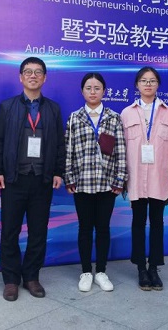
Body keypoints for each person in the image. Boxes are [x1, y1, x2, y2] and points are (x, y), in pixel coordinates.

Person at [0, 57, 65, 301]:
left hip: (42, 180)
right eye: (28, 72)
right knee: (9, 231)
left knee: (38, 232)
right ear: (21, 77)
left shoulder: (53, 109)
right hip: (14, 179)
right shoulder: (7, 107)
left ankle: (32, 276)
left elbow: (60, 144)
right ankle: (11, 279)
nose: (33, 76)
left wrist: (58, 171)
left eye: (38, 72)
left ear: (44, 78)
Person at [64, 73, 127, 292]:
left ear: (104, 91)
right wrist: (69, 177)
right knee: (84, 228)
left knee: (103, 228)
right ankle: (85, 272)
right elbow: (68, 150)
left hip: (107, 184)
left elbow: (121, 151)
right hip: (82, 183)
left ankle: (101, 271)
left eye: (97, 88)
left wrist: (120, 179)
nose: (93, 92)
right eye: (88, 88)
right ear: (82, 91)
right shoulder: (74, 118)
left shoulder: (113, 117)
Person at [120, 66, 168, 291]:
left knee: (157, 224)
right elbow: (122, 147)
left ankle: (154, 268)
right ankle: (140, 269)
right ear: (137, 85)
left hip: (158, 179)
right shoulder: (126, 113)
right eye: (144, 80)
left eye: (152, 80)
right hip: (136, 178)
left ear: (158, 85)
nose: (148, 84)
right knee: (137, 223)